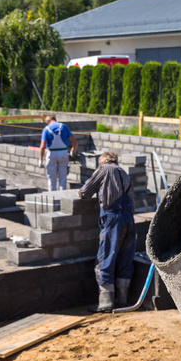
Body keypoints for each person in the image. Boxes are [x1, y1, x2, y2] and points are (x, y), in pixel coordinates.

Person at [78, 151, 135, 312]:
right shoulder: (124, 173)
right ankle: (123, 300)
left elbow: (85, 191)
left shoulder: (104, 169)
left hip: (113, 219)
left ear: (102, 162)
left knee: (105, 259)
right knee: (125, 260)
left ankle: (105, 303)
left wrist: (81, 193)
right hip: (129, 221)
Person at [38, 115, 78, 191]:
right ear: (55, 119)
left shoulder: (46, 129)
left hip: (51, 154)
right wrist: (72, 151)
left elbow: (42, 146)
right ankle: (62, 198)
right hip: (63, 153)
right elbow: (75, 142)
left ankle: (52, 198)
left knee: (51, 178)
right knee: (63, 178)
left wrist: (40, 160)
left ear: (47, 122)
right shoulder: (64, 127)